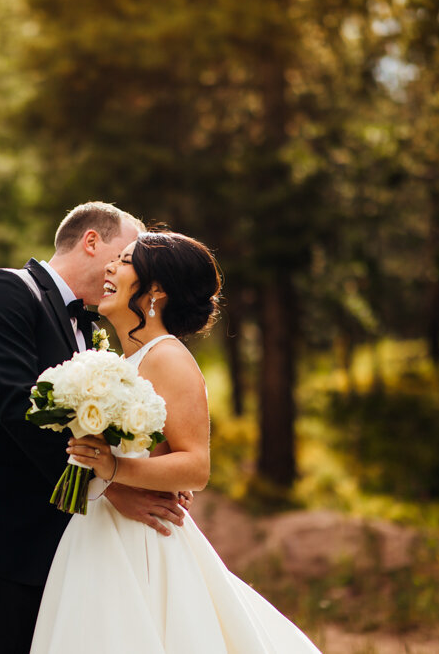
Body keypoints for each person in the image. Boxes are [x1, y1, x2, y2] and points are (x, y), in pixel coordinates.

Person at [30, 231, 322, 653]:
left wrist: (113, 469)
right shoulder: (122, 360)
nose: (111, 266)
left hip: (138, 540)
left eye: (126, 261)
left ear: (157, 291)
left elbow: (195, 467)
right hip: (96, 531)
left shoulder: (167, 357)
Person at [0, 202, 194, 654]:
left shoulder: (90, 331)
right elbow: (15, 404)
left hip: (54, 548)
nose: (129, 271)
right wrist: (106, 485)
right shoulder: (5, 289)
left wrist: (147, 466)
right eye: (126, 256)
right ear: (92, 242)